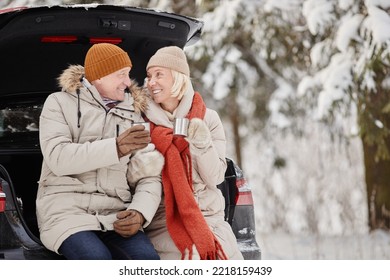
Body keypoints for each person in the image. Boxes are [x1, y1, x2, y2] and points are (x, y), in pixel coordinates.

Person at [36, 43, 164, 260]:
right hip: (67, 212)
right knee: (96, 259)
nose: (127, 82)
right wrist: (116, 147)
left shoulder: (133, 114)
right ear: (99, 77)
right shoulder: (58, 103)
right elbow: (58, 158)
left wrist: (141, 213)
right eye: (121, 74)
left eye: (128, 74)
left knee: (147, 262)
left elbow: (148, 175)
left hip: (116, 215)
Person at [142, 46, 244, 260]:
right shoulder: (141, 122)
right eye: (149, 76)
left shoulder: (208, 118)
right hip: (166, 222)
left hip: (211, 220)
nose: (151, 82)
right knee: (194, 256)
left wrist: (201, 143)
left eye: (159, 75)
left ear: (178, 78)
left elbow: (215, 177)